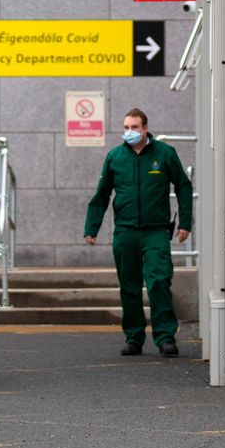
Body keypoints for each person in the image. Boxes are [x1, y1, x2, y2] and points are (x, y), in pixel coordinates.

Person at [84, 108, 193, 357]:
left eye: (134, 127)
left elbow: (184, 186)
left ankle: (165, 337)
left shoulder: (164, 154)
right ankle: (133, 337)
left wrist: (185, 222)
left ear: (145, 128)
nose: (129, 132)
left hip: (155, 232)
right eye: (126, 128)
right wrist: (92, 228)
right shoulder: (115, 157)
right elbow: (102, 195)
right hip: (125, 232)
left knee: (159, 283)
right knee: (129, 287)